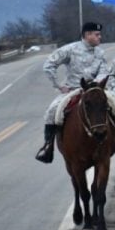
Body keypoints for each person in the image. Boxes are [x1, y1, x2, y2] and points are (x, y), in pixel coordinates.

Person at [35, 22, 110, 163]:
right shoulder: (70, 49)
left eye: (99, 34)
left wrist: (97, 84)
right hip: (74, 89)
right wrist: (59, 85)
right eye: (97, 34)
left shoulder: (100, 53)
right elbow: (49, 65)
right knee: (52, 111)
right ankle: (48, 146)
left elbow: (104, 70)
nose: (100, 37)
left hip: (96, 90)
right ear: (87, 35)